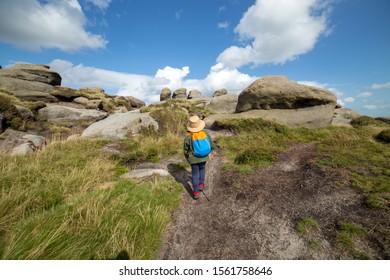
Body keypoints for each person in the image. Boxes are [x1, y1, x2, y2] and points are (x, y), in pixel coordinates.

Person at [183, 115, 215, 200]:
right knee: (202, 169)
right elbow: (212, 145)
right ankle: (201, 184)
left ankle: (196, 192)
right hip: (204, 157)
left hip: (193, 159)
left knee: (194, 174)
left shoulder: (188, 136)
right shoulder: (205, 133)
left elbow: (185, 150)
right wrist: (207, 152)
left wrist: (187, 157)